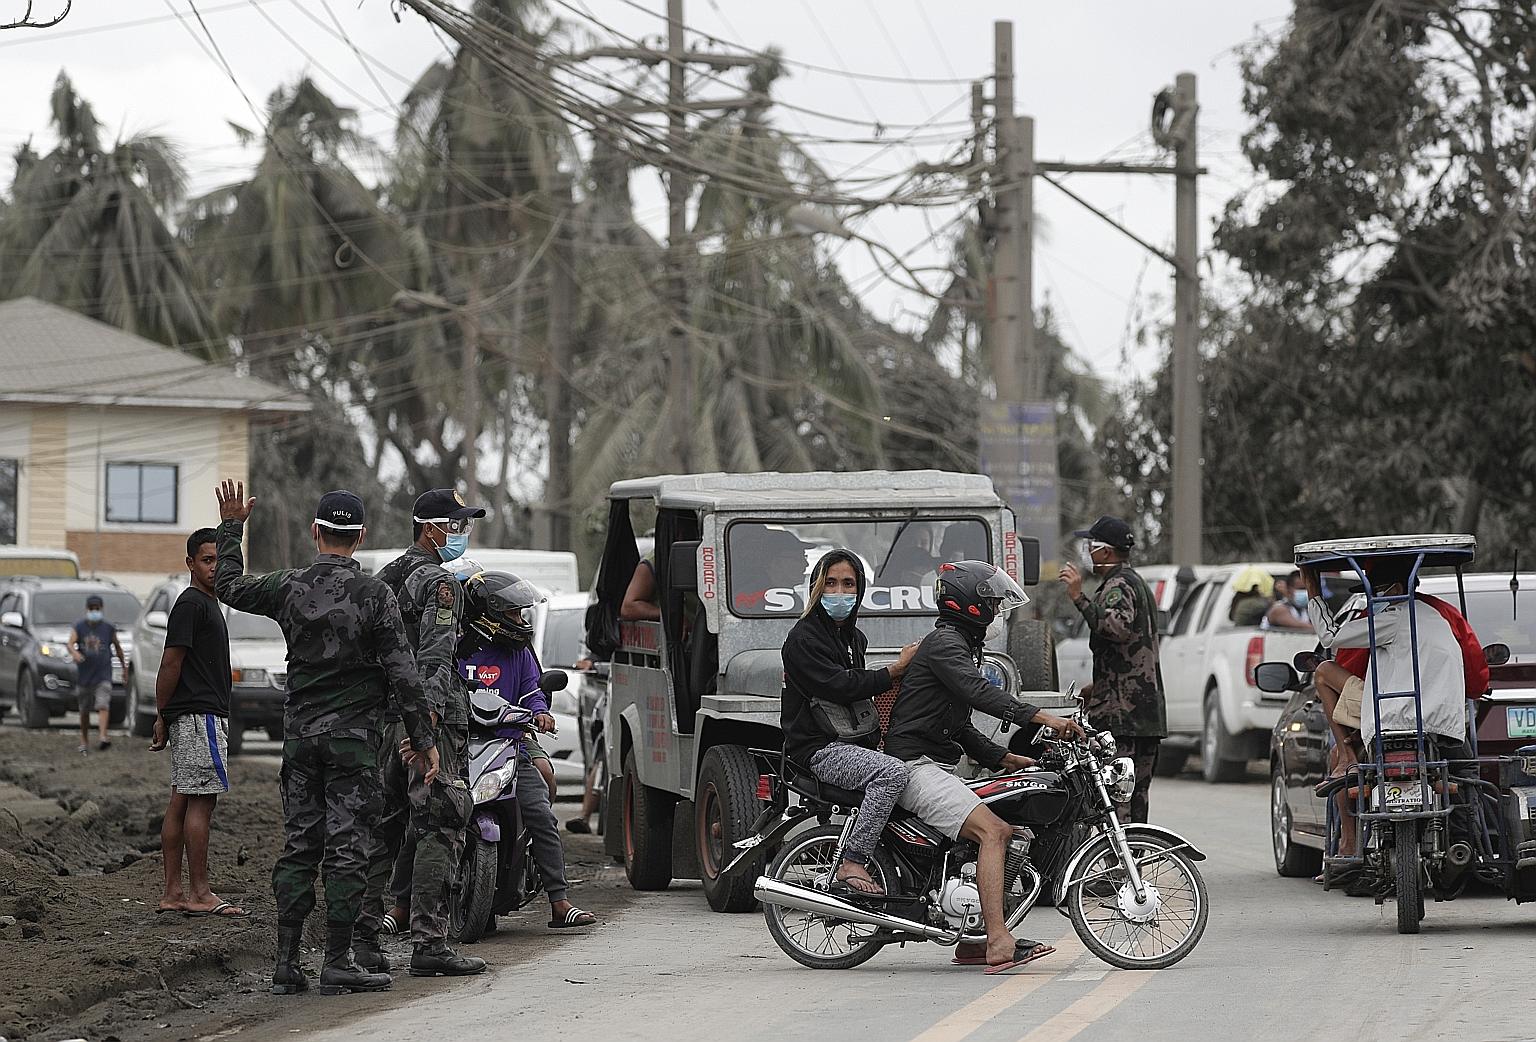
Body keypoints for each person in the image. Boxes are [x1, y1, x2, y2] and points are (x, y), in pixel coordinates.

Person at [213, 480, 439, 997]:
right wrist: (424, 738)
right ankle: (338, 959)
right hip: (353, 746)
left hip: (299, 743)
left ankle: (286, 963)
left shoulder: (289, 587)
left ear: (316, 532)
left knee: (299, 847)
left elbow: (228, 585)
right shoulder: (375, 595)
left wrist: (232, 526)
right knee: (347, 848)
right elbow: (404, 675)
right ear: (359, 538)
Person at [883, 560, 1083, 973]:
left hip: (935, 764)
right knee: (995, 831)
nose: (996, 611)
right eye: (991, 602)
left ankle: (972, 939)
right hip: (913, 766)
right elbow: (978, 694)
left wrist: (1005, 758)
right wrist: (1044, 718)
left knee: (1002, 826)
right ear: (970, 606)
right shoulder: (944, 644)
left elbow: (957, 723)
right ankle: (996, 943)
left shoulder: (958, 644)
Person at [359, 488, 487, 979]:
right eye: (455, 524)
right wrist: (426, 724)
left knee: (384, 828)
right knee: (441, 821)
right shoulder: (440, 583)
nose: (460, 533)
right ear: (431, 528)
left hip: (383, 722)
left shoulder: (383, 578)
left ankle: (366, 942)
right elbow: (435, 656)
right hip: (424, 725)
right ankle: (429, 942)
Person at [1304, 559, 1475, 862]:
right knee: (1465, 776)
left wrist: (1312, 588)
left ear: (1396, 590)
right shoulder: (1438, 617)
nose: (1373, 601)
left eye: (1376, 593)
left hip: (1394, 716)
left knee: (1323, 671)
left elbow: (1330, 637)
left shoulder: (1393, 617)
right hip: (1443, 723)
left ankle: (1347, 834)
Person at [458, 570, 598, 929]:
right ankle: (401, 906)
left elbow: (533, 690)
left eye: (522, 614)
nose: (520, 622)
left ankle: (560, 902)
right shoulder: (454, 648)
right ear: (488, 614)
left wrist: (540, 712)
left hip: (509, 745)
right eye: (513, 614)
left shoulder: (519, 652)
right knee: (424, 817)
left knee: (540, 813)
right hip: (456, 748)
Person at [781, 549, 918, 895]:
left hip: (852, 742)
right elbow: (839, 687)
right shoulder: (802, 640)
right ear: (815, 587)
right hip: (819, 749)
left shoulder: (854, 639)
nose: (839, 592)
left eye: (848, 584)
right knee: (892, 774)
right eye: (830, 583)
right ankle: (853, 860)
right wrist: (895, 670)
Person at [150, 528, 246, 918]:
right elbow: (170, 662)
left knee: (181, 799)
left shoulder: (209, 604)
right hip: (199, 717)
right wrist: (162, 712)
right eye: (207, 560)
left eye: (219, 560)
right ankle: (199, 892)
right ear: (190, 563)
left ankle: (174, 893)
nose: (214, 568)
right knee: (200, 803)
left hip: (192, 716)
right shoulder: (191, 604)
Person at [1058, 516, 1166, 824]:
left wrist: (1079, 597)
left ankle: (1119, 868)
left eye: (1091, 547)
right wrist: (1098, 686)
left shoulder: (1119, 585)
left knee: (1117, 796)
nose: (1088, 554)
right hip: (1142, 711)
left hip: (1123, 714)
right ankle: (1134, 862)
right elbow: (1128, 649)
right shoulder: (1135, 582)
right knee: (1136, 797)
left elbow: (1116, 629)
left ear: (1106, 552)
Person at [67, 593, 126, 753]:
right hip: (85, 676)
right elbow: (70, 643)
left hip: (103, 674)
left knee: (103, 704)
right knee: (84, 710)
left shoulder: (108, 628)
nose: (94, 611)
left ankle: (102, 736)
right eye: (92, 609)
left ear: (101, 609)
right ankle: (84, 741)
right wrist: (75, 653)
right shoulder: (79, 626)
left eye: (97, 608)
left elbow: (118, 648)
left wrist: (124, 668)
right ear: (87, 609)